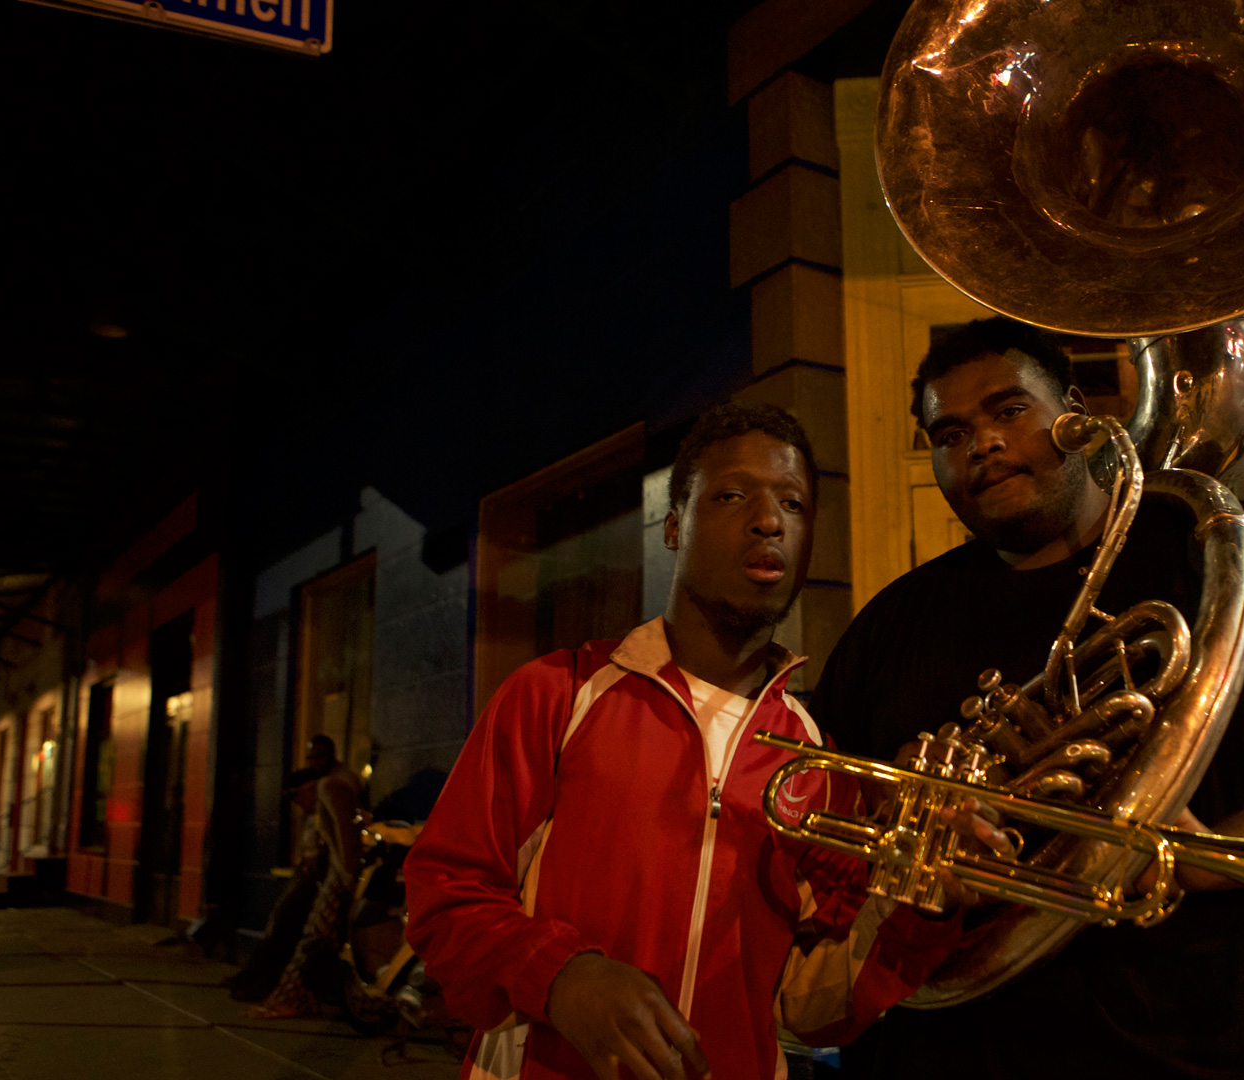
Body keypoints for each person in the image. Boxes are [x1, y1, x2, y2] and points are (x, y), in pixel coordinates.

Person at [809, 318, 1244, 1080]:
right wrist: (905, 820)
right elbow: (828, 846)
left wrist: (1203, 858)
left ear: (1076, 411)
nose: (981, 442)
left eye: (1009, 410)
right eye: (949, 433)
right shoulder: (889, 630)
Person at [404, 403, 974, 1080]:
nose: (770, 521)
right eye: (733, 496)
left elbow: (810, 1007)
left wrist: (924, 903)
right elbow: (445, 896)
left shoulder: (817, 761)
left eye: (793, 504)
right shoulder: (557, 694)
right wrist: (561, 977)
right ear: (674, 525)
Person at [230, 734, 367, 1017]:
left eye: (295, 795)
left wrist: (345, 876)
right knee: (302, 931)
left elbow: (344, 839)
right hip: (329, 876)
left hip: (335, 878)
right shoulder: (323, 796)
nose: (295, 802)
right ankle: (283, 990)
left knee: (311, 934)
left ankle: (292, 995)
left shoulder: (331, 787)